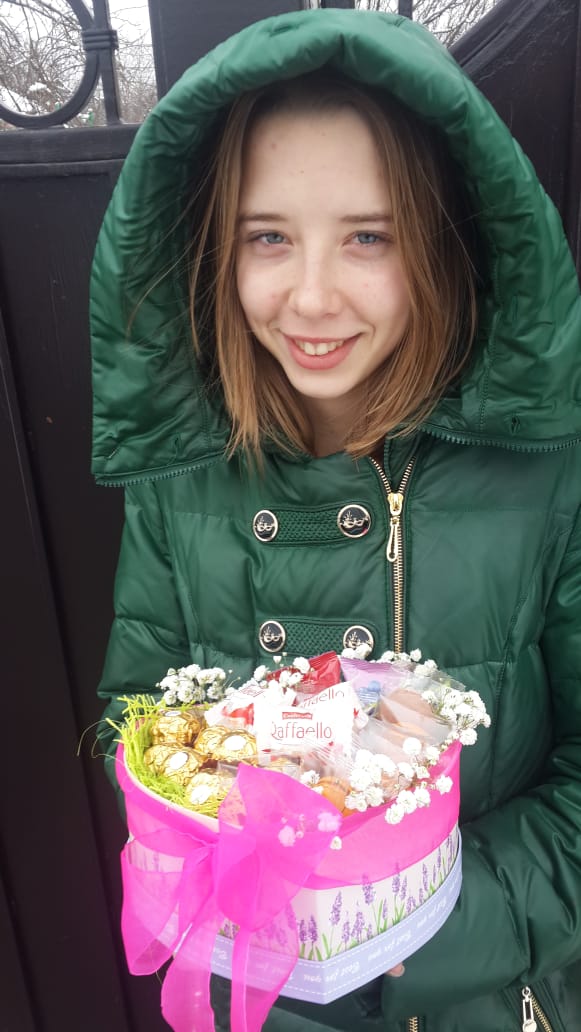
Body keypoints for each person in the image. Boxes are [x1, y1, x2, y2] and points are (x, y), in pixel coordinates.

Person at [91, 8, 581, 1032]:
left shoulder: (545, 476)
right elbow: (140, 718)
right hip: (259, 998)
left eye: (367, 237)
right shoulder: (184, 479)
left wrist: (420, 926)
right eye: (268, 237)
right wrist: (201, 838)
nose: (310, 298)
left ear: (443, 241)